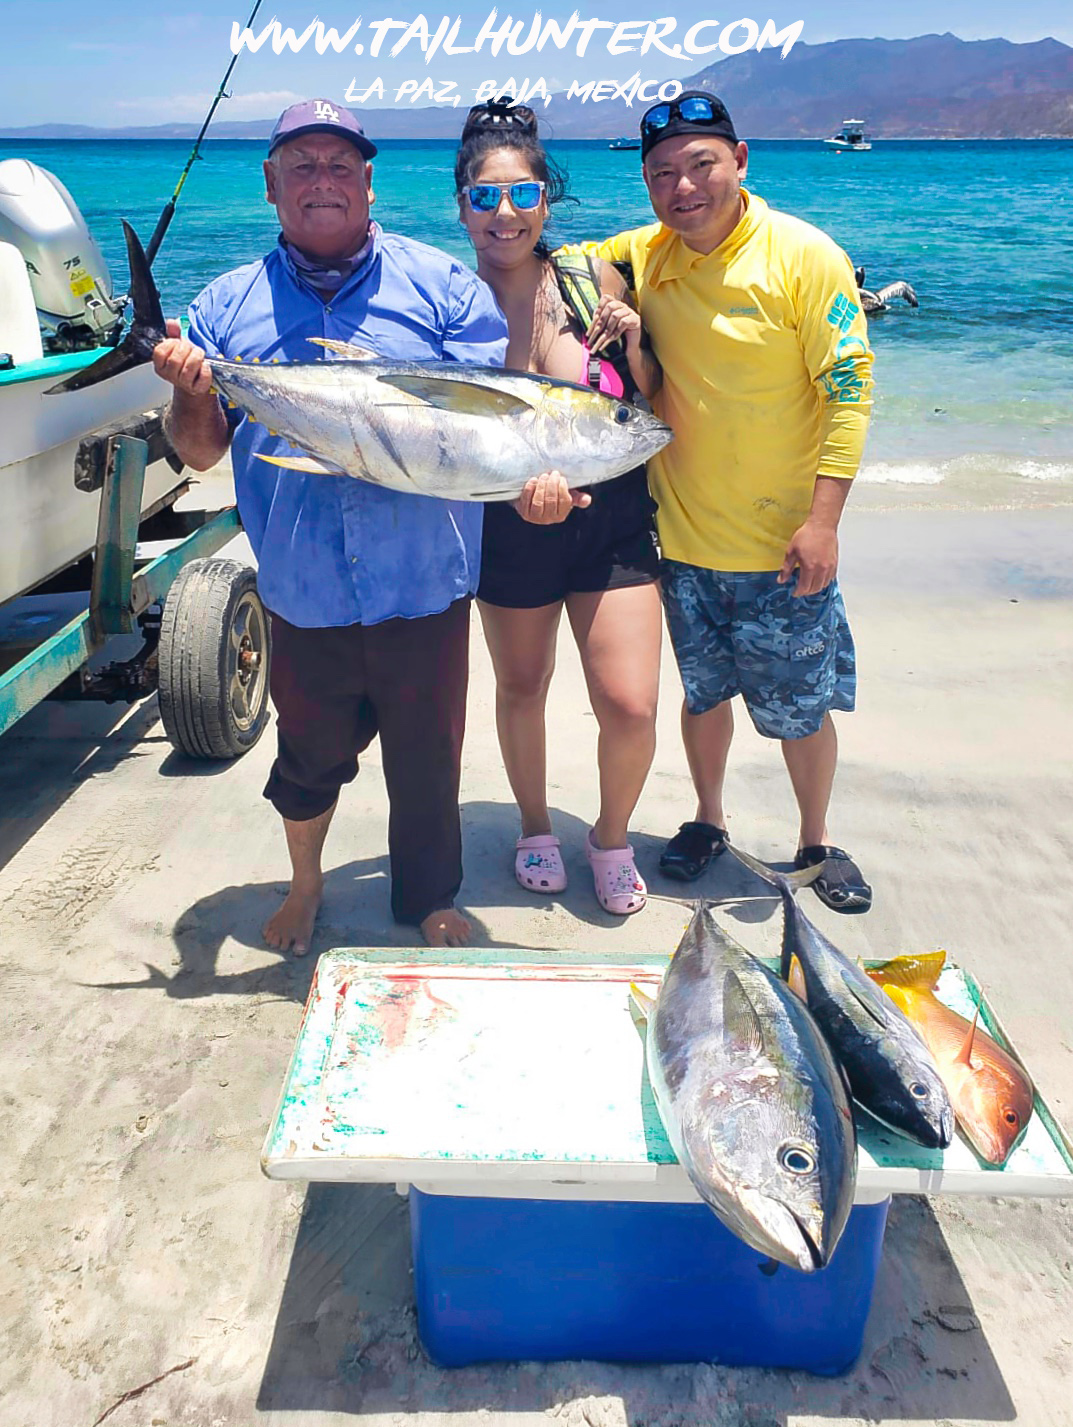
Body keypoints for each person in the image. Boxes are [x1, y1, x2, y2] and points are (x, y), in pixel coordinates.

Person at [151, 98, 517, 953]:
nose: (324, 181)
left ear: (368, 181)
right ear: (270, 184)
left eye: (340, 165)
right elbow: (199, 452)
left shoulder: (443, 287)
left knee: (428, 758)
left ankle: (430, 896)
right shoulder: (223, 305)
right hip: (303, 586)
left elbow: (480, 428)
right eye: (303, 166)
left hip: (421, 578)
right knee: (307, 757)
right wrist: (190, 389)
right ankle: (306, 883)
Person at [576, 91, 876, 912]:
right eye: (660, 174)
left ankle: (815, 841)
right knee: (703, 696)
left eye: (700, 165)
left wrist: (822, 524)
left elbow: (849, 392)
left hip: (784, 547)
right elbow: (572, 254)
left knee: (798, 710)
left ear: (740, 161)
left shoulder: (803, 256)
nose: (682, 188)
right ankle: (707, 819)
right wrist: (615, 296)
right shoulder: (650, 250)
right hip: (682, 541)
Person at [455, 102, 664, 915]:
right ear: (462, 205)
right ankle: (534, 825)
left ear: (546, 199)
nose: (503, 213)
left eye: (522, 194)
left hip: (610, 518)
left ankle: (609, 836)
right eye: (484, 196)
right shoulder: (450, 302)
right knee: (522, 684)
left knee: (630, 704)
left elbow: (652, 399)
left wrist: (635, 338)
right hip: (507, 522)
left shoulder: (592, 279)